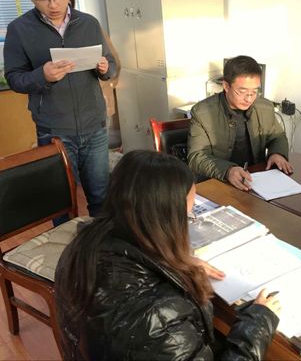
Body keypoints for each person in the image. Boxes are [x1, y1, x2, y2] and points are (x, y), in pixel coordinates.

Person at [55, 150, 280, 360]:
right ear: (162, 221)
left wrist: (171, 263)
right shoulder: (159, 318)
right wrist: (258, 324)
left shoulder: (85, 245)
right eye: (187, 216)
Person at [3, 0, 117, 217]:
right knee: (61, 201)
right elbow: (14, 78)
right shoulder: (19, 30)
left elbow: (111, 64)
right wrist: (41, 75)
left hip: (94, 125)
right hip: (54, 130)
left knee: (101, 196)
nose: (53, 5)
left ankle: (101, 239)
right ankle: (67, 243)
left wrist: (104, 68)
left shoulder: (88, 23)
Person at [188, 55, 292, 190]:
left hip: (255, 181)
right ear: (226, 86)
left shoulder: (265, 107)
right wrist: (228, 170)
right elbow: (197, 157)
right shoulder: (202, 113)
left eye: (254, 91)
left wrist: (277, 153)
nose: (249, 98)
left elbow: (277, 136)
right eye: (242, 91)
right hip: (218, 182)